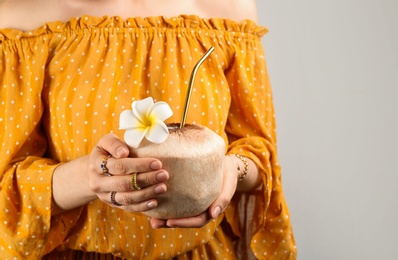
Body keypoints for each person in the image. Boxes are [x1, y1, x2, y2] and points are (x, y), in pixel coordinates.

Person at [0, 0, 296, 259]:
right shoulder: (24, 20)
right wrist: (88, 178)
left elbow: (259, 155)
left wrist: (233, 169)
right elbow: (6, 190)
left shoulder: (228, 14)